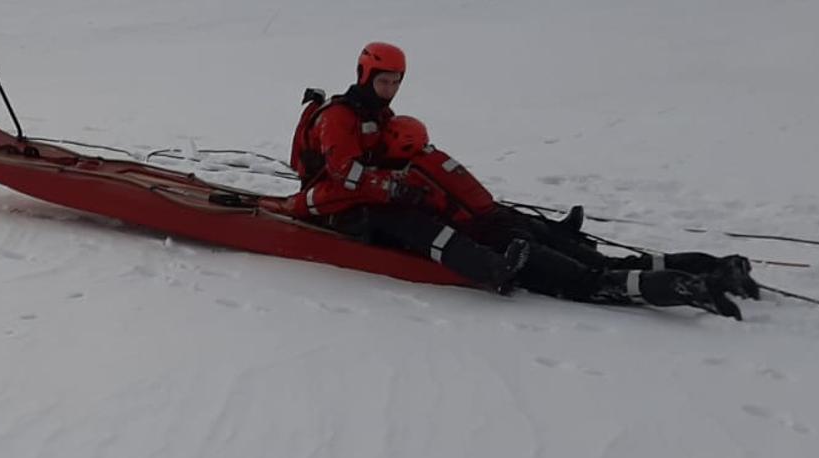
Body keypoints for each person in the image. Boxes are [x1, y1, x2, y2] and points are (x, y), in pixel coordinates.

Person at [379, 116, 755, 319]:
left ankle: (684, 286)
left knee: (590, 280)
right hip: (512, 220)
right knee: (608, 262)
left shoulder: (408, 180)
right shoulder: (434, 159)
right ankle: (710, 267)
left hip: (505, 242)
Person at [263, 42, 530, 294]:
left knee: (437, 208)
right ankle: (492, 270)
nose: (389, 90)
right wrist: (392, 187)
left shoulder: (379, 115)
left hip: (366, 197)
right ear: (364, 77)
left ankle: (499, 244)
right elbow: (344, 173)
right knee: (412, 223)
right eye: (382, 82)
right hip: (336, 205)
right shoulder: (338, 117)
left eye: (395, 83)